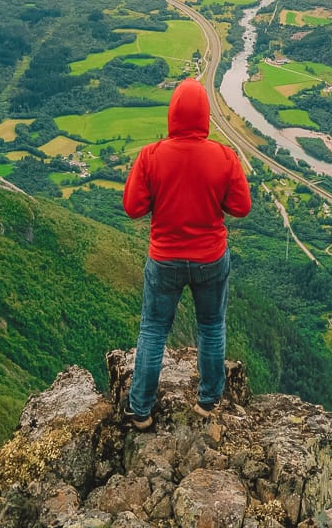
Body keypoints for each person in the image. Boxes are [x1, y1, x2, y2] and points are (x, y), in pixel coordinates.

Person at [122, 75, 251, 427]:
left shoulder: (152, 156)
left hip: (165, 259)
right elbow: (241, 207)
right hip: (210, 258)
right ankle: (208, 401)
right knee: (211, 326)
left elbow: (133, 207)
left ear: (172, 116)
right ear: (205, 117)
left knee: (153, 331)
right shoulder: (223, 157)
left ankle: (141, 410)